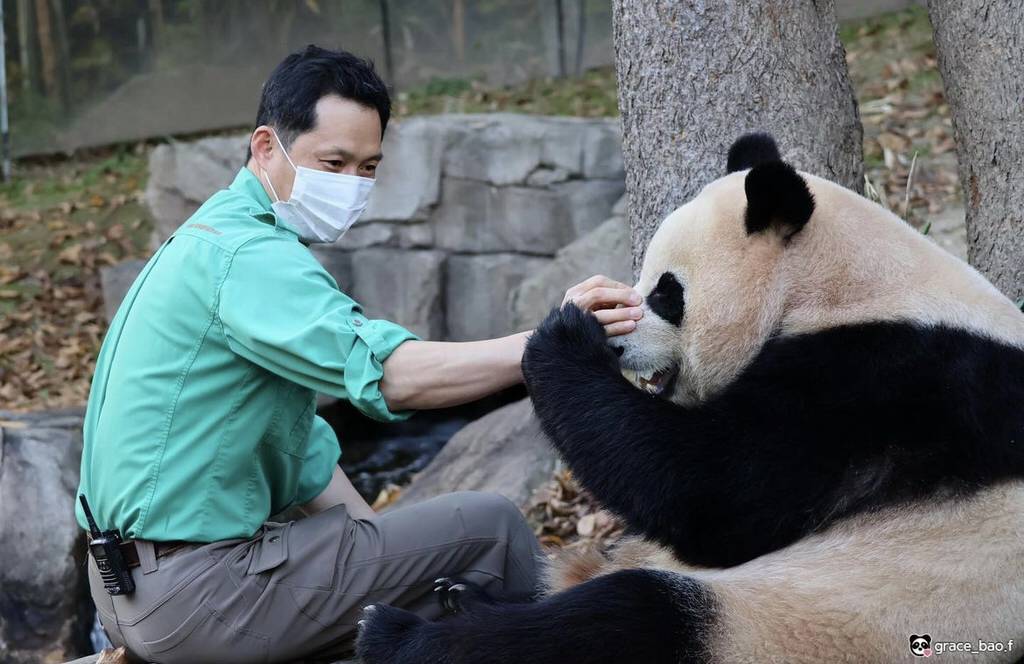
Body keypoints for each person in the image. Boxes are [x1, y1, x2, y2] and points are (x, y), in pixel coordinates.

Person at [75, 44, 643, 663]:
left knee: (413, 600)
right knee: (492, 529)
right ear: (266, 148)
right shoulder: (249, 259)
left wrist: (386, 556)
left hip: (129, 595)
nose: (352, 186)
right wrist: (546, 343)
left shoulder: (210, 238)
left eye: (368, 167)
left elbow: (306, 460)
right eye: (334, 162)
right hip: (197, 595)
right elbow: (390, 376)